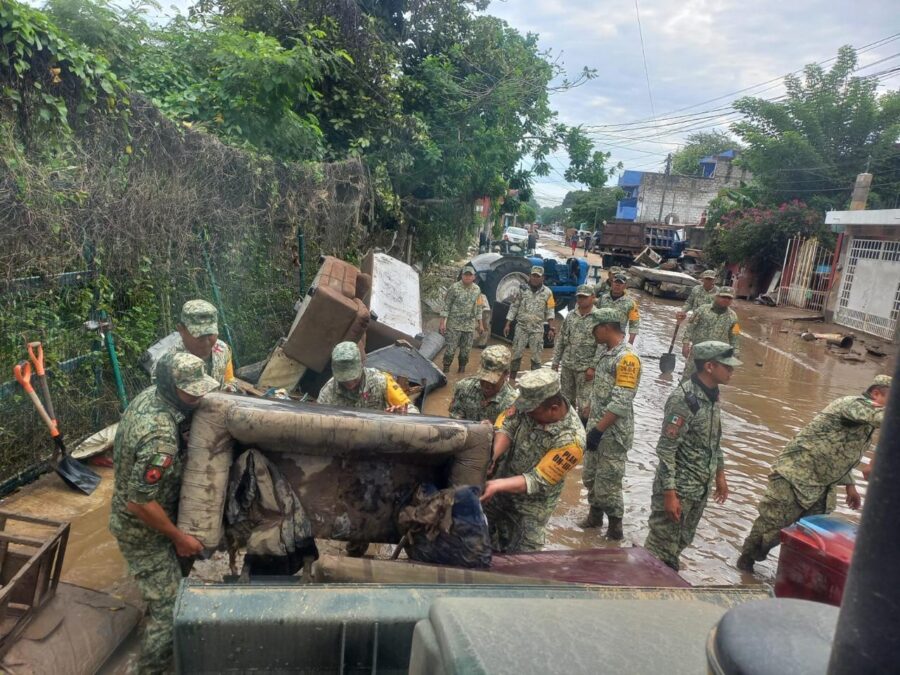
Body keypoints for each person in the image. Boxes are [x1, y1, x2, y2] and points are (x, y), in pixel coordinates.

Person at [109, 352, 220, 675]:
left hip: (154, 515)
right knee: (171, 610)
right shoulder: (160, 439)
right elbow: (139, 502)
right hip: (143, 532)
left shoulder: (154, 398)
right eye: (190, 391)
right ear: (171, 387)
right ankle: (150, 670)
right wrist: (179, 537)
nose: (197, 395)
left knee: (171, 590)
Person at [737, 374, 891, 571]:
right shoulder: (851, 404)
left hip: (823, 483)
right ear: (876, 393)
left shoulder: (867, 422)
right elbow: (884, 418)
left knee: (812, 534)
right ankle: (746, 563)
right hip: (795, 475)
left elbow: (842, 453)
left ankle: (795, 575)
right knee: (772, 528)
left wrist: (850, 485)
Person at [644, 341, 741, 570]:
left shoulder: (712, 396)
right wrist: (669, 493)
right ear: (709, 366)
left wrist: (720, 474)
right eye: (727, 366)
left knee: (680, 543)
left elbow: (714, 439)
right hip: (679, 488)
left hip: (699, 488)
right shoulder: (684, 399)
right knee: (658, 550)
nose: (731, 371)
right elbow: (666, 449)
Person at [481, 369, 586, 552]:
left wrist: (496, 485)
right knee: (483, 540)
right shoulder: (530, 404)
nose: (526, 414)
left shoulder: (572, 441)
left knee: (524, 560)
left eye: (532, 412)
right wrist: (493, 457)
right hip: (500, 489)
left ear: (553, 409)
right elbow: (508, 427)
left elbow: (537, 480)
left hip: (531, 508)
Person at [579, 308, 642, 539]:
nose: (592, 334)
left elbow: (621, 402)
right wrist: (588, 409)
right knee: (590, 476)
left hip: (612, 434)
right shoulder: (607, 352)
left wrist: (597, 430)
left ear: (606, 328)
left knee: (608, 485)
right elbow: (601, 389)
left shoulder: (626, 358)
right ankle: (594, 518)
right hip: (596, 426)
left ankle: (615, 529)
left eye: (595, 329)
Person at [317, 341, 418, 414]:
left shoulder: (382, 381)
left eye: (354, 378)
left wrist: (403, 415)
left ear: (361, 366)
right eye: (345, 381)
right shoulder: (327, 393)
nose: (350, 385)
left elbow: (413, 412)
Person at [158, 299, 234, 387]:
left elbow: (229, 381)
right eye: (199, 335)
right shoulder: (167, 362)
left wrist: (229, 389)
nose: (206, 341)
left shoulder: (222, 350)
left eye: (210, 334)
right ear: (181, 330)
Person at [551, 284, 599, 422]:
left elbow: (601, 346)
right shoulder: (571, 316)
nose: (581, 300)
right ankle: (568, 429)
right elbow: (561, 339)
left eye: (585, 297)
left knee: (584, 405)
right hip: (567, 366)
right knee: (565, 401)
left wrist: (593, 367)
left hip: (585, 369)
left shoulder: (597, 317)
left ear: (593, 297)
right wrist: (555, 362)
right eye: (579, 297)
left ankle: (583, 433)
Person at [504, 266, 556, 382]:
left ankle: (534, 382)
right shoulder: (522, 289)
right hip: (521, 328)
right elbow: (514, 307)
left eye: (538, 276)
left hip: (537, 329)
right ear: (530, 276)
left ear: (543, 278)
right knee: (516, 355)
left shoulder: (548, 292)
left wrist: (552, 328)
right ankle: (511, 381)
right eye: (533, 275)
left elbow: (550, 310)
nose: (535, 278)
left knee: (536, 358)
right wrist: (508, 323)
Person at [681, 287, 740, 381]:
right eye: (723, 297)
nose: (726, 300)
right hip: (698, 352)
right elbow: (690, 328)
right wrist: (685, 344)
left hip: (717, 355)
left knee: (710, 381)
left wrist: (735, 353)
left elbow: (735, 336)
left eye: (729, 298)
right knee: (688, 377)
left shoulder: (733, 316)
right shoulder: (702, 310)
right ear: (716, 297)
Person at [449, 345, 517, 424]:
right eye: (483, 378)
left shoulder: (512, 403)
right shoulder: (464, 388)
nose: (486, 385)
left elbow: (510, 433)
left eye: (492, 380)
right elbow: (454, 421)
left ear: (506, 374)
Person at [440, 265, 485, 373]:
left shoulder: (477, 289)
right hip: (454, 325)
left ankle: (461, 372)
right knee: (450, 351)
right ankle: (445, 370)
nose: (468, 277)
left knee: (465, 352)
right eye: (466, 275)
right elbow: (446, 306)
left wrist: (481, 324)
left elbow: (479, 308)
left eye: (470, 275)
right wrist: (442, 323)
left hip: (469, 326)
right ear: (462, 276)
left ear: (474, 277)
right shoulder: (454, 288)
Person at [595, 271, 640, 345]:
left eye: (620, 283)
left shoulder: (630, 303)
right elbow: (594, 316)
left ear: (625, 286)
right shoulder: (602, 298)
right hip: (600, 339)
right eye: (615, 283)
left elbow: (634, 324)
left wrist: (630, 343)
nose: (617, 285)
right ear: (612, 284)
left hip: (617, 341)